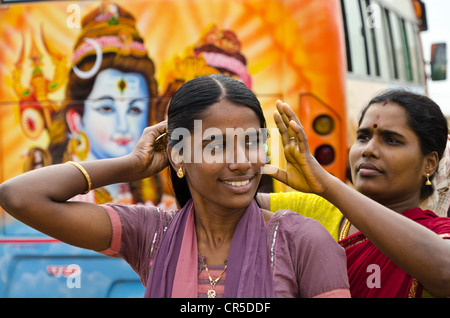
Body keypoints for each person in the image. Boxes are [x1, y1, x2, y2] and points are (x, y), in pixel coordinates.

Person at [0, 74, 350, 298]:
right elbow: (18, 196)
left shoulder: (303, 240)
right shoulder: (150, 233)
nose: (242, 160)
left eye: (251, 141)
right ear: (179, 158)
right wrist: (132, 164)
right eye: (216, 145)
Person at [263, 90, 450, 298]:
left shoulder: (439, 232)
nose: (368, 149)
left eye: (391, 140)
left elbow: (445, 272)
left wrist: (328, 184)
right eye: (363, 137)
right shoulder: (312, 209)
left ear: (429, 163)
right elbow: (231, 209)